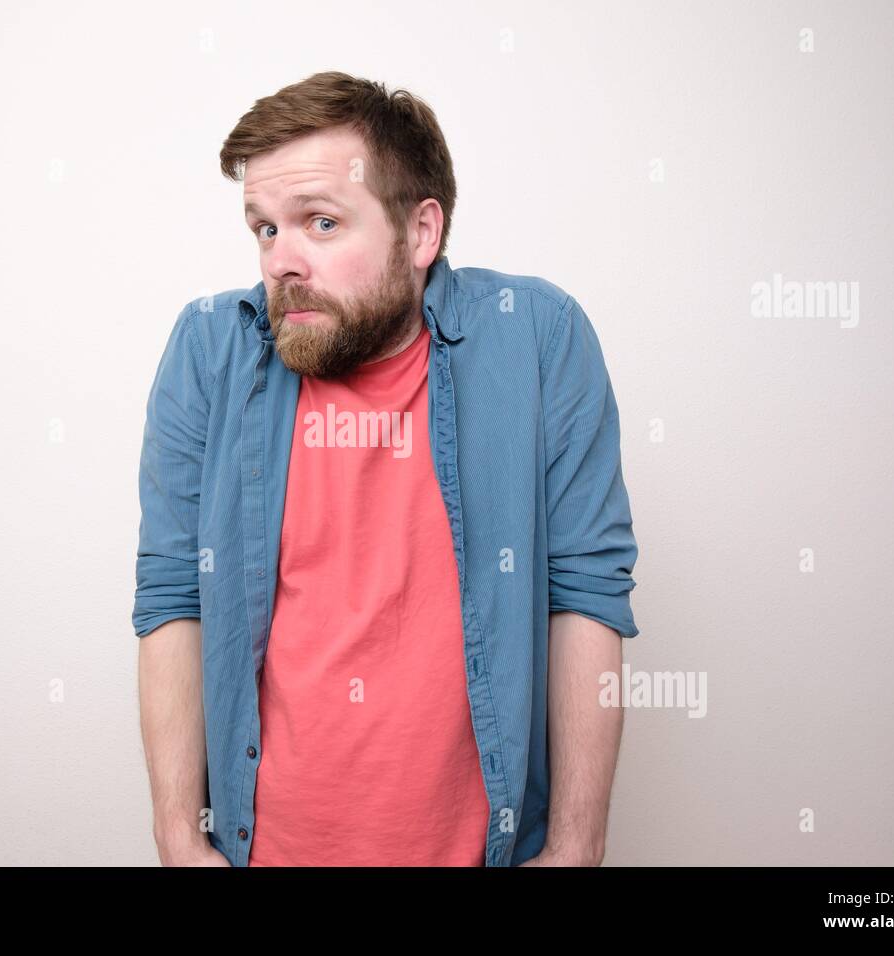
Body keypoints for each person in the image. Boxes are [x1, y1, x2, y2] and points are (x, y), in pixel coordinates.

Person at [134, 71, 640, 867]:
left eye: (321, 223)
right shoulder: (208, 352)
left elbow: (586, 595)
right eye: (265, 229)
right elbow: (172, 596)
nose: (281, 261)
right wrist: (176, 835)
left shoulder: (537, 340)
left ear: (420, 231)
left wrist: (576, 847)